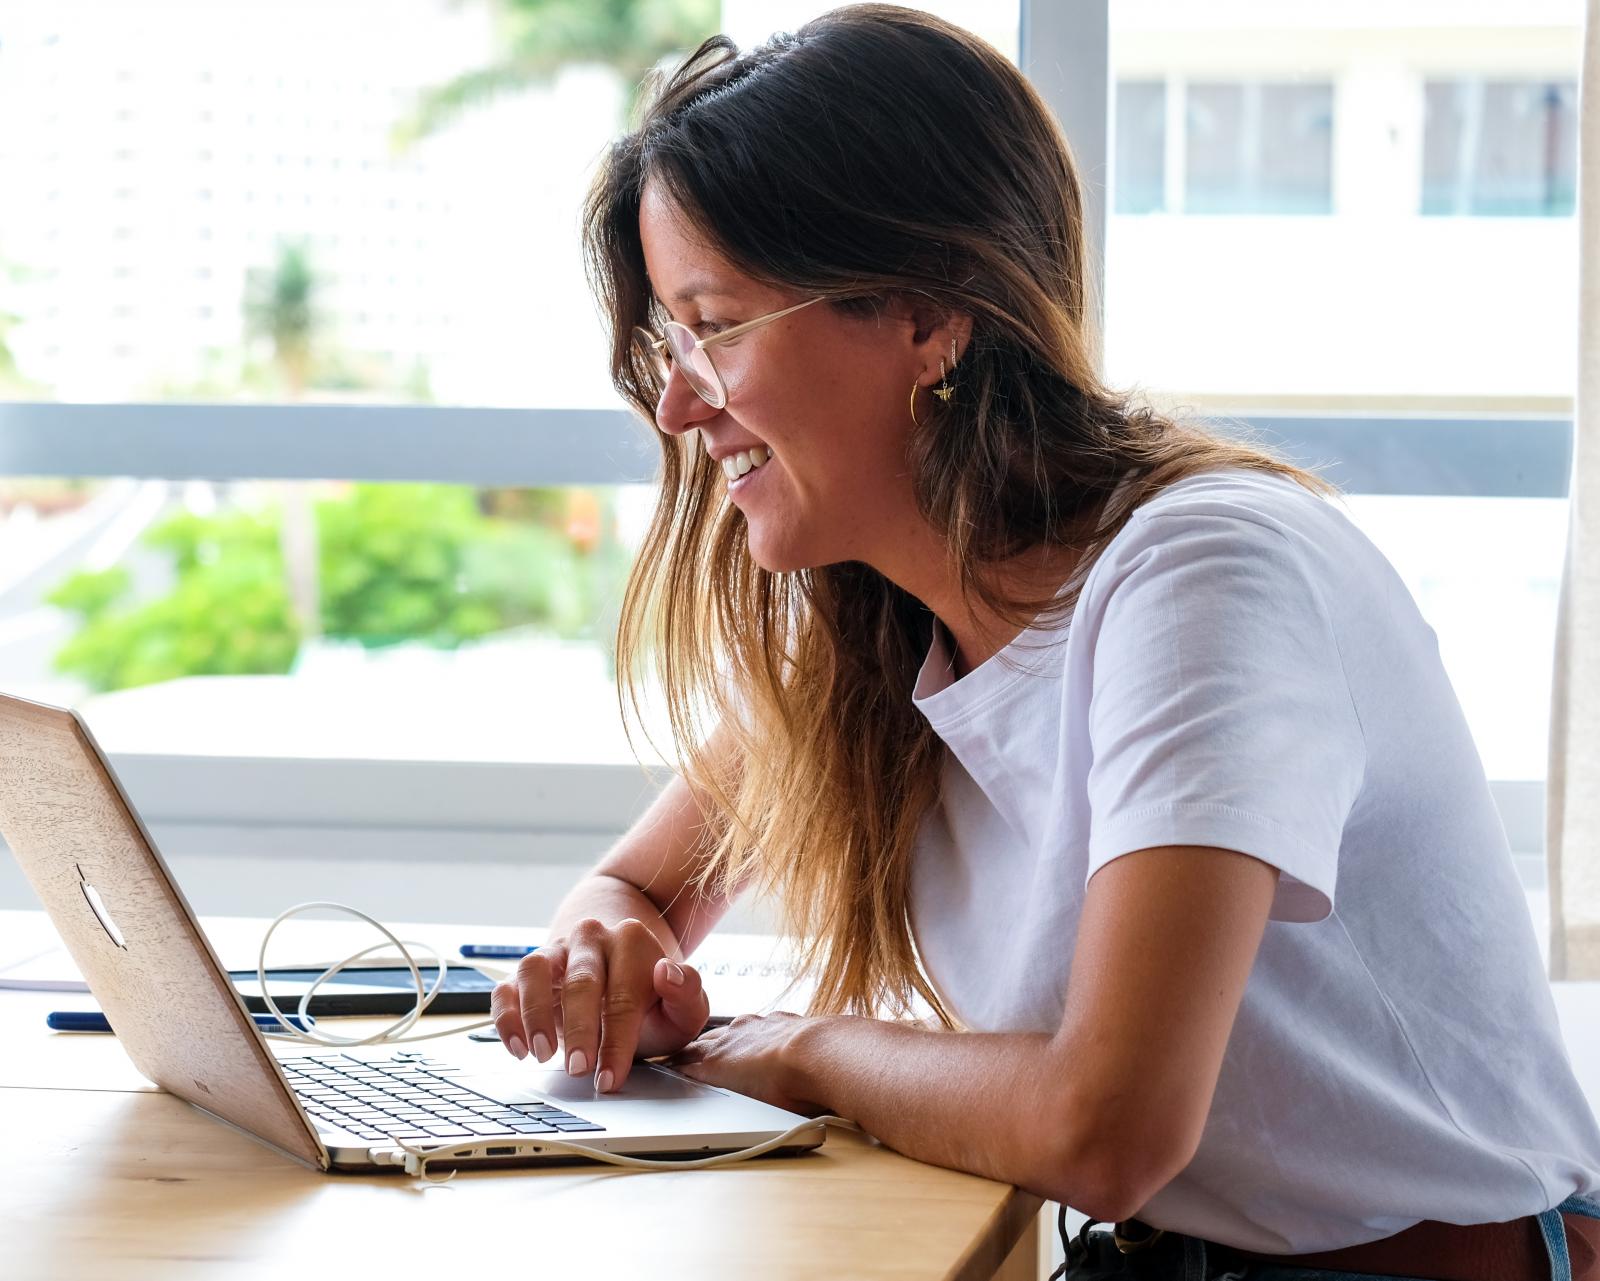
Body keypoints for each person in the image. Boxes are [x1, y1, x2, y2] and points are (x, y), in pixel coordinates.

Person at [487, 6, 1600, 1277]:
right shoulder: (888, 631)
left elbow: (1106, 1126)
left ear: (927, 316)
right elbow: (636, 887)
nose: (682, 403)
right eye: (670, 342)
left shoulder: (1201, 578)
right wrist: (602, 945)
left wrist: (799, 1047)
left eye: (718, 324)